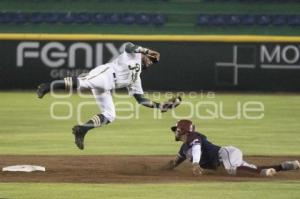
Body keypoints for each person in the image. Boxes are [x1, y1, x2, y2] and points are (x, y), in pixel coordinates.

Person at [36, 42, 181, 150]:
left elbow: (141, 99)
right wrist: (146, 50)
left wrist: (161, 106)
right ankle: (47, 86)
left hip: (108, 87)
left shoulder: (136, 78)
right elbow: (128, 46)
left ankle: (82, 130)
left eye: (152, 61)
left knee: (110, 115)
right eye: (150, 58)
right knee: (83, 83)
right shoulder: (135, 54)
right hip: (106, 74)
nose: (150, 60)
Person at [165, 119, 300, 177]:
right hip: (226, 158)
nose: (175, 132)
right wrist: (160, 169)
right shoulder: (183, 148)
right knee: (251, 170)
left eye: (176, 129)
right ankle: (285, 166)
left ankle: (262, 173)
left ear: (183, 130)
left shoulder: (194, 136)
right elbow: (174, 162)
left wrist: (195, 163)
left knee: (231, 170)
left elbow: (197, 148)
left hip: (225, 154)